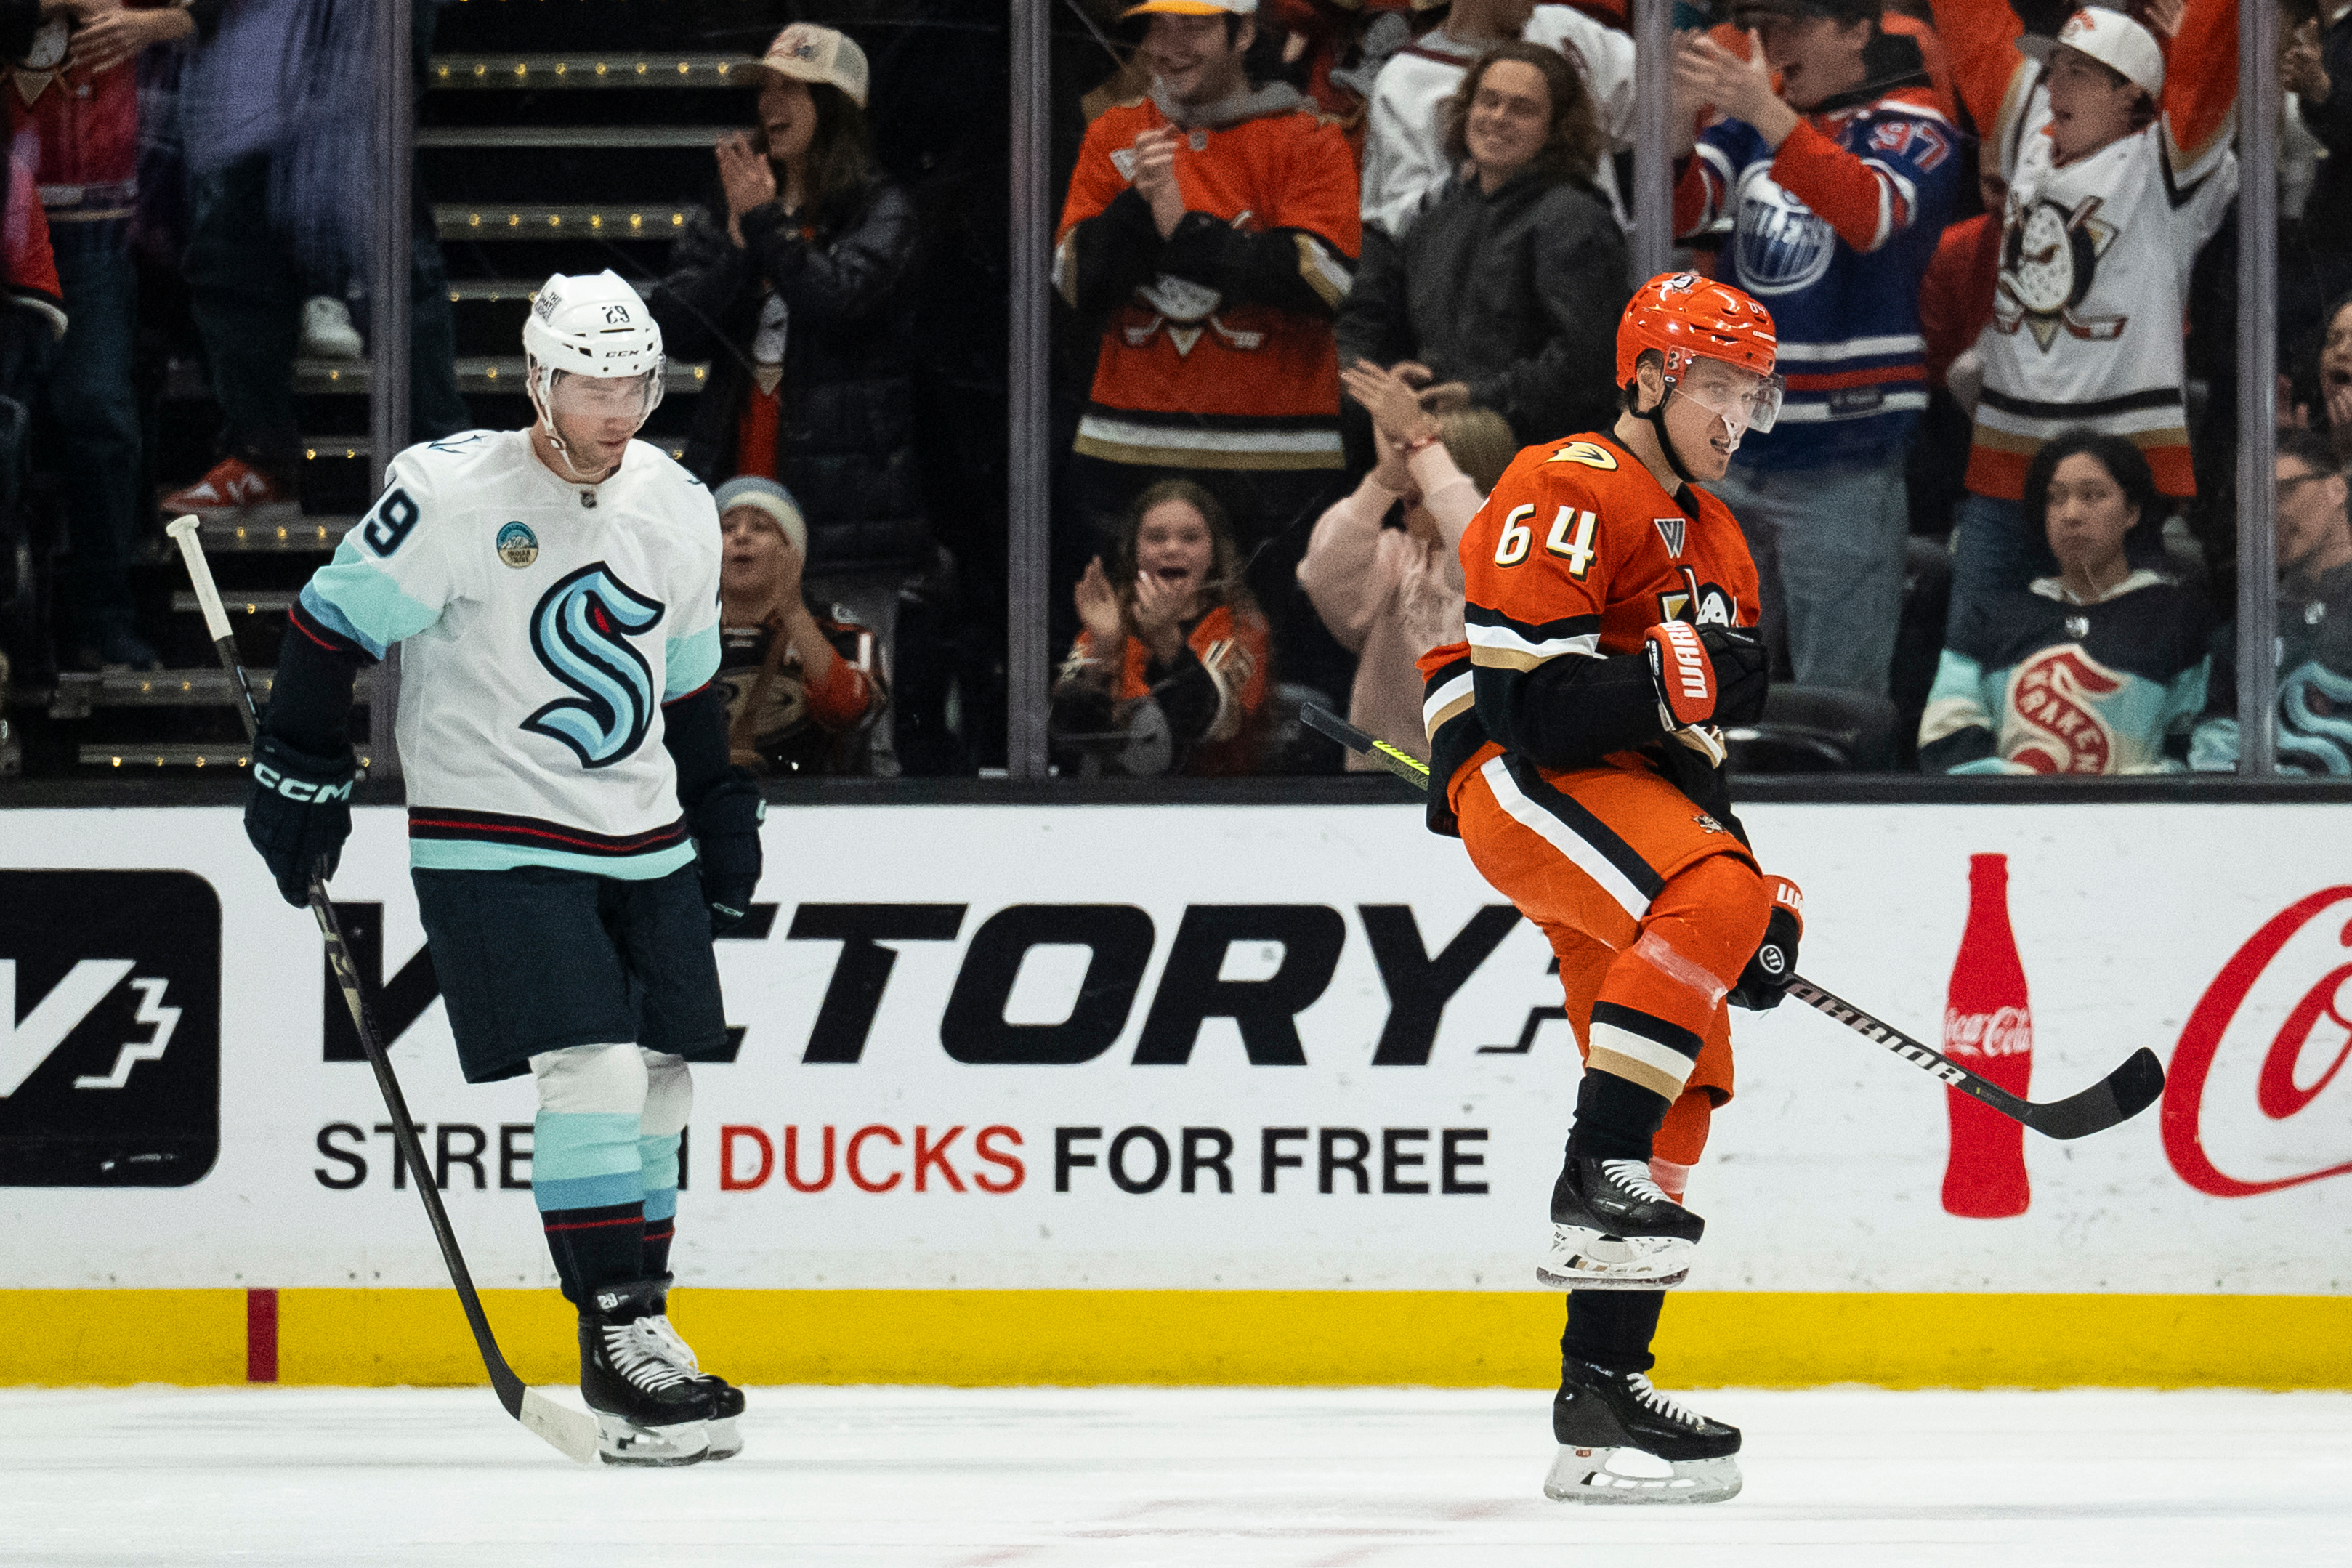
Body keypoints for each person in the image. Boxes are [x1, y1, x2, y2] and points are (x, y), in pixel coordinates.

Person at [238, 271, 761, 1468]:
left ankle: (643, 1329)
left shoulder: (677, 504)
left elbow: (685, 689)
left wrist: (720, 800)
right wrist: (300, 760)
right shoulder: (452, 492)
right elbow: (327, 624)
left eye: (634, 380)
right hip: (493, 833)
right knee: (594, 1062)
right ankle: (613, 1334)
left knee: (664, 1078)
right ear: (539, 376)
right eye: (589, 380)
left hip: (638, 831)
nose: (615, 404)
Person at [1416, 272, 1801, 1504]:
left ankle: (1600, 1395)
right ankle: (1597, 1170)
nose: (1738, 418)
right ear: (1646, 377)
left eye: (1754, 396)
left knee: (1687, 1071)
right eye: (1717, 389)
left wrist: (1749, 908)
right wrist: (1675, 691)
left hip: (1626, 794)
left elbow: (1701, 738)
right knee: (1709, 907)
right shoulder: (1568, 479)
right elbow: (1533, 707)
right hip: (1526, 775)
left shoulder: (1721, 535)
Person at [1052, 0, 1360, 705]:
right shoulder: (1116, 133)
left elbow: (1320, 280)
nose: (1170, 45)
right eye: (1157, 27)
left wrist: (1183, 228)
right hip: (1128, 448)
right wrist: (1138, 210)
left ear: (1244, 33)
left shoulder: (1310, 137)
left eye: (1193, 26)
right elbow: (1075, 282)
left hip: (1276, 462)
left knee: (1272, 685)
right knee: (1116, 669)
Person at [649, 23, 925, 760]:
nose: (770, 102)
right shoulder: (735, 208)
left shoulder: (882, 209)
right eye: (764, 87)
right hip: (740, 498)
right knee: (731, 706)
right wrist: (741, 248)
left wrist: (765, 225)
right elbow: (668, 326)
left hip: (847, 510)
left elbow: (841, 300)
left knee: (861, 710)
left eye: (789, 86)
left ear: (836, 106)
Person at [1672, 0, 1960, 697]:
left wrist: (1765, 113)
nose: (1771, 45)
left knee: (1839, 698)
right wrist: (1673, 125)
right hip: (1730, 453)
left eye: (1791, 26)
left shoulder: (1912, 124)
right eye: (1762, 30)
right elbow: (1677, 216)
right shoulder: (1744, 126)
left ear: (1856, 29)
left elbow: (1870, 215)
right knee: (1704, 693)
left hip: (1845, 459)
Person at [1931, 0, 2238, 631]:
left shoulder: (2168, 162)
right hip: (2003, 462)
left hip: (2115, 469)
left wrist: (2200, 30)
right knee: (1974, 653)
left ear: (2131, 94)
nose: (2053, 86)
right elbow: (1973, 30)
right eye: (2054, 69)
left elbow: (2210, 61)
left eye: (2078, 73)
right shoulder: (2031, 135)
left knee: (2111, 659)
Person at [160, 0, 469, 520]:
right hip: (257, 36)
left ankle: (442, 458)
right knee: (231, 246)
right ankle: (260, 454)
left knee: (392, 244)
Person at [1336, 41, 1630, 448]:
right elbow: (1387, 328)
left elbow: (1589, 363)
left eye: (1522, 109)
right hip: (1436, 447)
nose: (1498, 118)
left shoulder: (1574, 219)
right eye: (1487, 101)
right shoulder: (1434, 220)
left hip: (1541, 462)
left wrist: (1480, 398)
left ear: (1557, 128)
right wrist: (1395, 377)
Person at [11, 0, 185, 671]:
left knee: (99, 416)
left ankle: (102, 616)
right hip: (15, 221)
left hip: (97, 226)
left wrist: (158, 22)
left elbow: (215, 15)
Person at [1919, 429, 2208, 772]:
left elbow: (2198, 749)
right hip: (2010, 821)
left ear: (2132, 512)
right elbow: (1944, 734)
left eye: (2092, 496)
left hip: (2135, 821)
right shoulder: (1991, 615)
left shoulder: (2178, 618)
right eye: (2055, 499)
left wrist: (2123, 802)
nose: (2070, 514)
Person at [1297, 363, 1510, 769]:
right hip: (1383, 786)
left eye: (1423, 458)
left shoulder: (1515, 553)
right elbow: (1320, 574)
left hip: (1484, 791)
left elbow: (1480, 553)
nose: (1410, 479)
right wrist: (1385, 477)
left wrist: (1419, 440)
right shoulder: (1397, 554)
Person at [1359, 1, 1636, 241]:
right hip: (1475, 289)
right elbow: (1392, 226)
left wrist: (1673, 105)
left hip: (1591, 267)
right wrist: (1461, 185)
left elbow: (1652, 110)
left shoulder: (1562, 28)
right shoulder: (1404, 82)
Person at [1051, 478, 1271, 776]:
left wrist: (1165, 636)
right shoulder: (1108, 621)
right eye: (1155, 538)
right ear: (1133, 550)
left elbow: (1212, 726)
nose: (1172, 549)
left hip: (1211, 806)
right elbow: (1064, 731)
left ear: (1215, 553)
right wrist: (1103, 645)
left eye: (1190, 538)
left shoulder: (1241, 627)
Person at [2192, 429, 2352, 772]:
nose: (2267, 515)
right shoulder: (2243, 627)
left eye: (2284, 492)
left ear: (2338, 488)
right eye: (2251, 503)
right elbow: (2212, 752)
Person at [711, 475, 885, 776]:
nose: (741, 536)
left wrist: (793, 612)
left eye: (761, 527)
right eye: (727, 527)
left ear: (793, 550)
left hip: (815, 809)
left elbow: (846, 712)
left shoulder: (841, 631)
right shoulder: (674, 628)